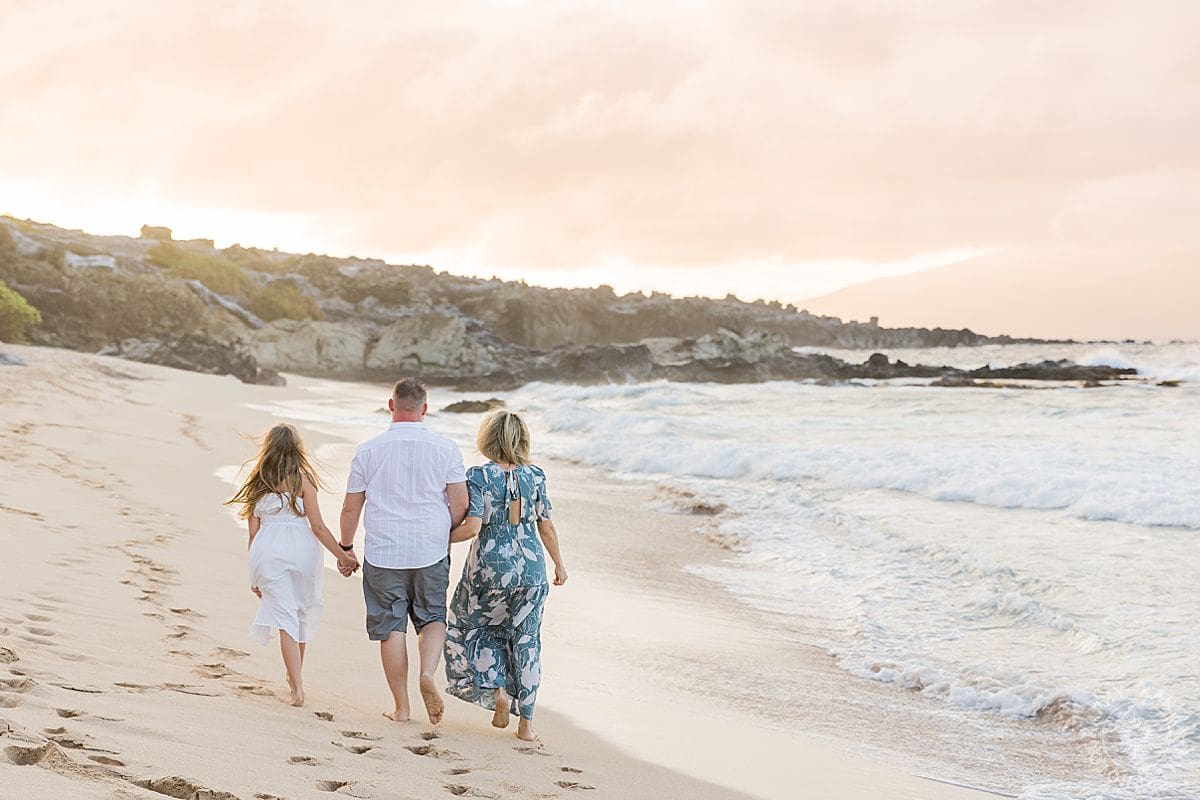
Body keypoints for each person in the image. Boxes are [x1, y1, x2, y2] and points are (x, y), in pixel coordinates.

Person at [338, 378, 469, 724]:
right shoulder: (445, 448)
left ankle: (402, 707)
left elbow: (352, 508)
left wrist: (346, 548)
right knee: (433, 618)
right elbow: (460, 502)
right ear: (425, 408)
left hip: (384, 553)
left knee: (391, 627)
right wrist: (443, 533)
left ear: (391, 405)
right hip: (430, 550)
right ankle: (427, 673)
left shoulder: (368, 450)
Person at [444, 410, 568, 742]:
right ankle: (526, 725)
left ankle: (495, 690)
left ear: (487, 439)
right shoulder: (536, 476)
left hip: (490, 569)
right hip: (532, 570)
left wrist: (439, 538)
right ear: (522, 439)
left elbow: (472, 527)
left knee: (475, 630)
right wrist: (559, 565)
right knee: (526, 642)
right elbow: (547, 526)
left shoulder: (480, 476)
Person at [226, 423, 358, 707]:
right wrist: (342, 555)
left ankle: (295, 685)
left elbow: (252, 534)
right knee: (298, 615)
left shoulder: (257, 481)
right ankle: (295, 678)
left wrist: (254, 574)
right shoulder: (303, 480)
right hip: (302, 553)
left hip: (267, 553)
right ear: (297, 448)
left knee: (286, 618)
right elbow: (319, 526)